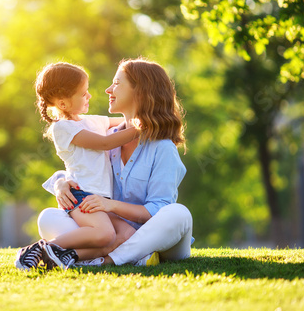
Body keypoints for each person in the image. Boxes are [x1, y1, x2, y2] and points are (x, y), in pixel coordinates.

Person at [36, 57, 193, 268]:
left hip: (156, 238)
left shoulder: (162, 147)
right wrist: (61, 182)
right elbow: (83, 167)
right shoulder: (106, 137)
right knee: (48, 217)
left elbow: (157, 210)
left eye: (117, 83)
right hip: (111, 232)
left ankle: (104, 260)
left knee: (179, 214)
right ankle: (124, 257)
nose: (108, 90)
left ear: (141, 91)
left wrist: (111, 205)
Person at [15, 62, 140, 270]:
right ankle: (42, 248)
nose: (89, 96)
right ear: (63, 104)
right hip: (81, 194)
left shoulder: (92, 121)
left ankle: (67, 256)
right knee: (105, 234)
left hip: (101, 199)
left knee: (127, 236)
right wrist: (142, 129)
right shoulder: (63, 128)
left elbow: (120, 123)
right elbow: (105, 143)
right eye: (83, 94)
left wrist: (140, 117)